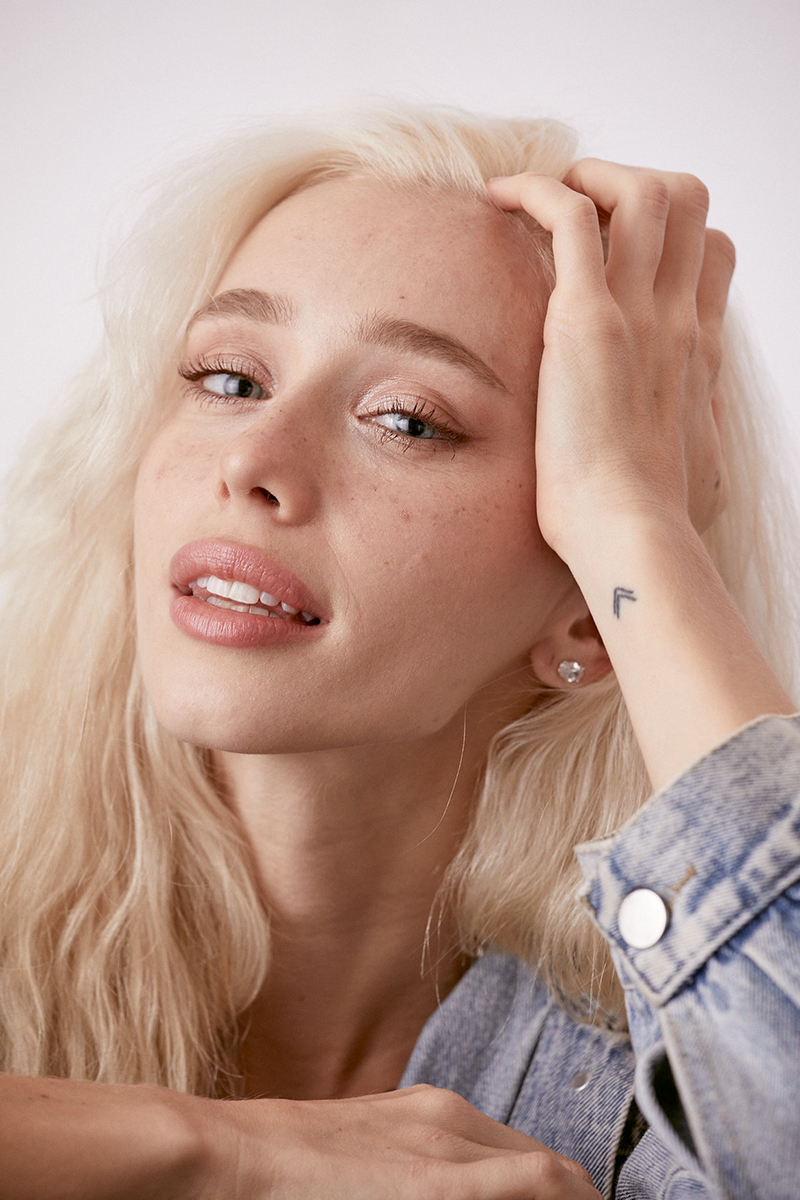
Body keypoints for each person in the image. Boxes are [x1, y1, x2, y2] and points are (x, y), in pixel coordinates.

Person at [0, 106, 798, 1199]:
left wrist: (633, 527)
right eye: (229, 379)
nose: (252, 459)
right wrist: (223, 1151)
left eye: (408, 420)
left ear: (583, 613)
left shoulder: (654, 1098)